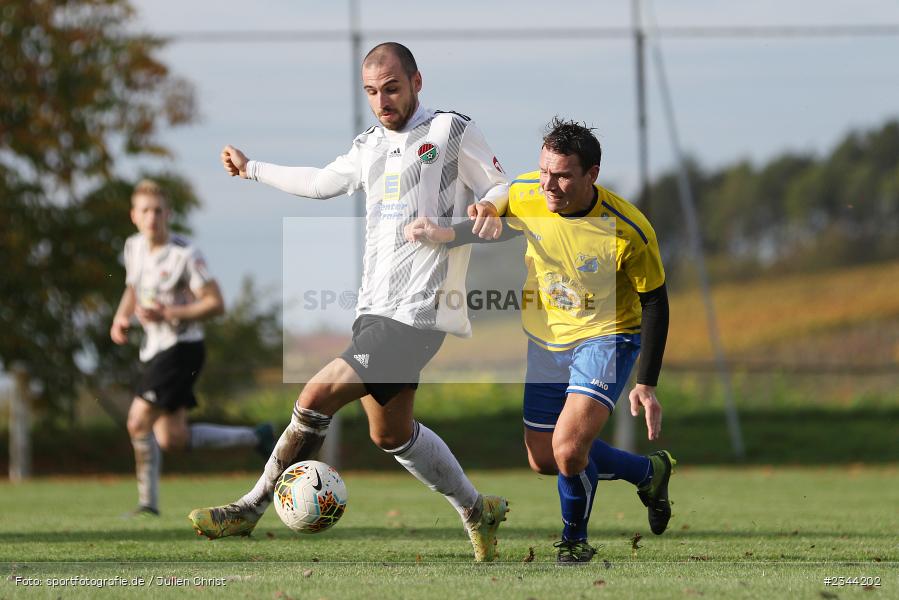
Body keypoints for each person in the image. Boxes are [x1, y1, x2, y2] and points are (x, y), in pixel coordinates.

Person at [188, 42, 511, 562]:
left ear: (416, 82)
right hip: (375, 310)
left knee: (315, 396)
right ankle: (477, 509)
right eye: (372, 92)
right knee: (391, 434)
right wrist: (252, 169)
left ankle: (248, 509)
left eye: (392, 88)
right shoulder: (369, 145)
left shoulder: (450, 129)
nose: (382, 100)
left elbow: (501, 187)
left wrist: (480, 212)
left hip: (419, 311)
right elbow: (319, 183)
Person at [405, 117, 676, 564]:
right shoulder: (529, 191)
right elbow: (497, 226)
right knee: (545, 459)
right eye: (545, 171)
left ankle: (574, 539)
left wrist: (646, 382)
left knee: (569, 449)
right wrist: (445, 234)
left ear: (592, 174)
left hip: (606, 337)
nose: (549, 184)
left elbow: (656, 304)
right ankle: (648, 471)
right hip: (545, 340)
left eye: (563, 175)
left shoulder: (628, 230)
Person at [110, 179, 275, 517]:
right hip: (156, 349)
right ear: (134, 216)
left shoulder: (185, 254)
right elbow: (132, 288)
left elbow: (216, 304)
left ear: (168, 214)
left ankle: (147, 504)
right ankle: (256, 437)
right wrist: (121, 319)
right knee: (173, 439)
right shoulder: (133, 247)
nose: (152, 217)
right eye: (145, 211)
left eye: (158, 211)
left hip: (182, 349)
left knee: (137, 422)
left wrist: (168, 313)